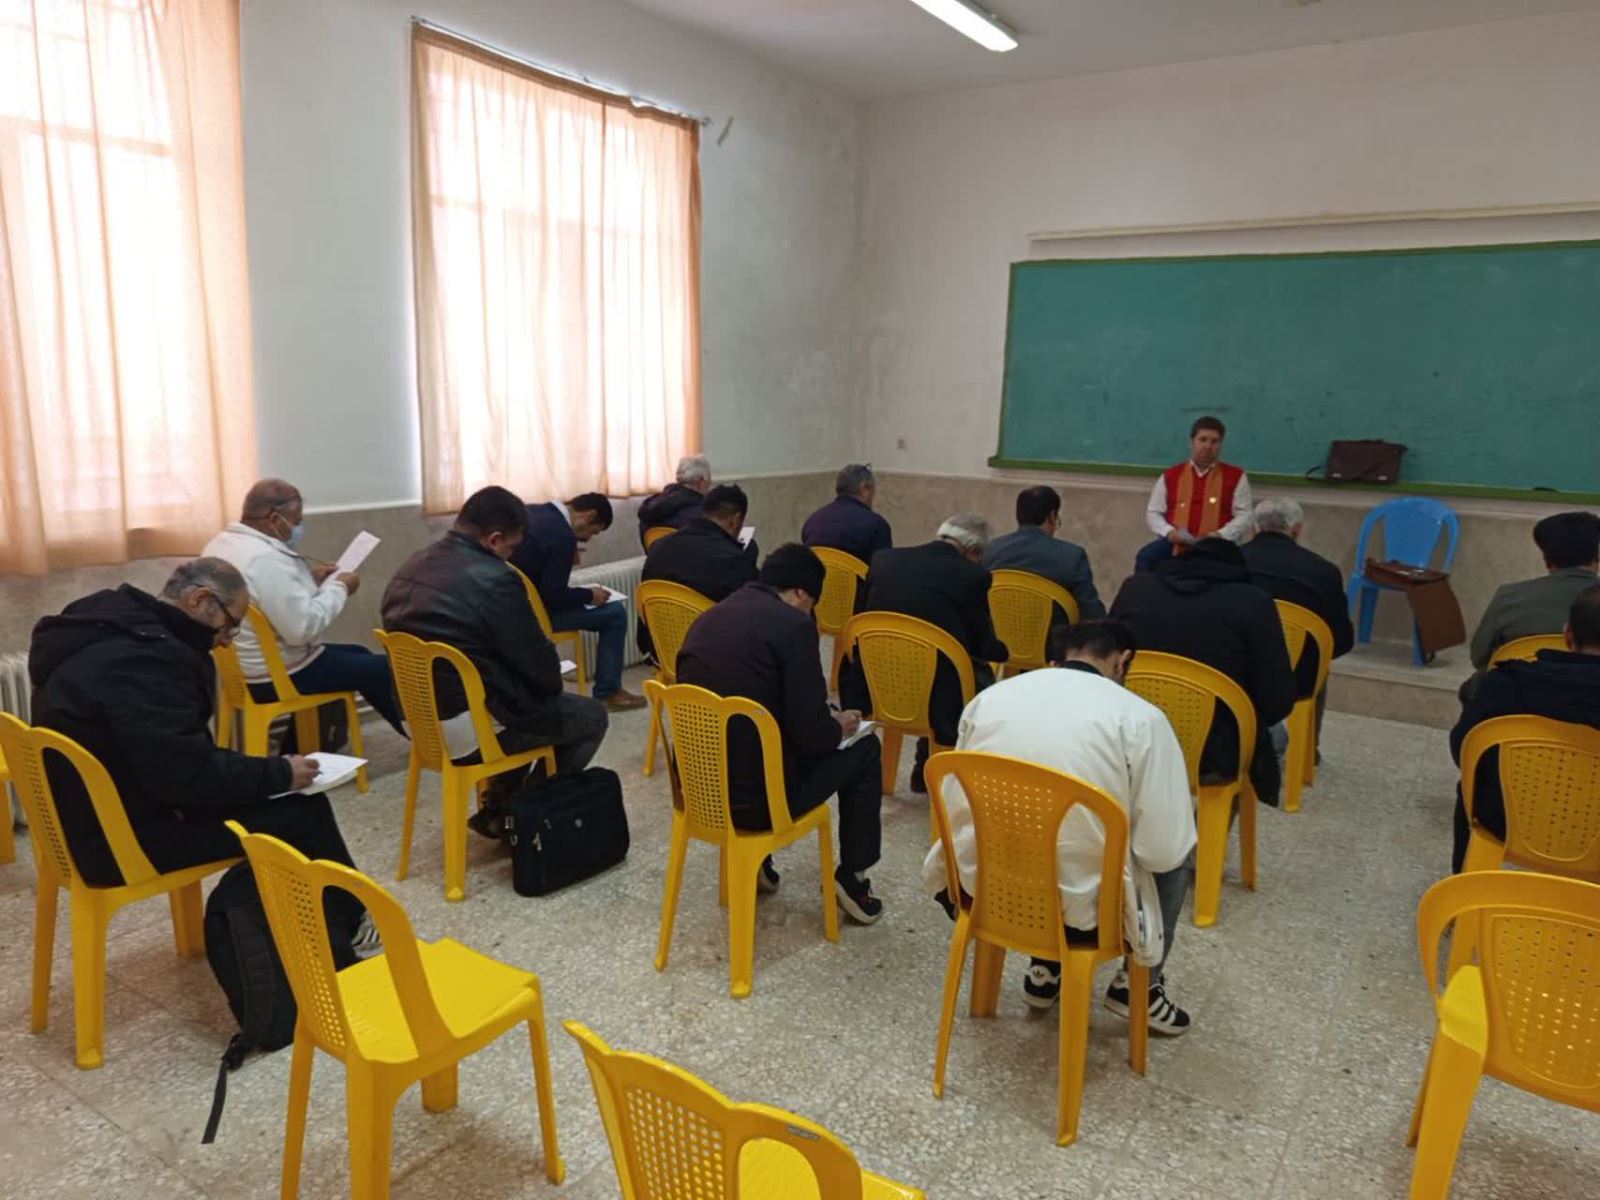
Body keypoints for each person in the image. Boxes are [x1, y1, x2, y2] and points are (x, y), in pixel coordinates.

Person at [28, 558, 372, 945]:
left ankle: (321, 927)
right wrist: (281, 773)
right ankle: (355, 930)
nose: (227, 640)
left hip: (91, 820)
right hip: (121, 842)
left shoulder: (106, 624)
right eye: (230, 624)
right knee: (303, 811)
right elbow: (187, 777)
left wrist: (262, 772)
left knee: (270, 793)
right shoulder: (145, 662)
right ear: (199, 599)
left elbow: (171, 759)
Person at [922, 620, 1197, 1034]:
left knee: (1038, 826)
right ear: (1122, 662)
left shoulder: (990, 698)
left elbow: (958, 800)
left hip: (987, 888)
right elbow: (1162, 851)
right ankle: (1140, 985)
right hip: (1084, 909)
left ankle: (1046, 968)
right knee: (1175, 848)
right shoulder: (1142, 719)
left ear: (1056, 658)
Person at [676, 544, 885, 923]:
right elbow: (813, 737)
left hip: (700, 794)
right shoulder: (793, 626)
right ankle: (853, 878)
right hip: (761, 805)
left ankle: (759, 863)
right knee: (866, 748)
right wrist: (837, 725)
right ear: (802, 593)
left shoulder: (709, 617)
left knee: (750, 735)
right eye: (812, 606)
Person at [381, 486, 609, 821]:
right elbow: (543, 671)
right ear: (495, 539)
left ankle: (497, 811)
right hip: (469, 729)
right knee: (590, 716)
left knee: (528, 711)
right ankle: (522, 816)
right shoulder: (496, 579)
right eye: (512, 548)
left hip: (416, 721)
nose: (511, 558)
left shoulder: (410, 565)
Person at [203, 478, 406, 744]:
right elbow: (301, 630)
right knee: (382, 669)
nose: (298, 529)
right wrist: (340, 588)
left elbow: (267, 594)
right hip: (277, 676)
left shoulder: (222, 544)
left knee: (358, 653)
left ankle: (299, 746)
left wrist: (311, 579)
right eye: (296, 522)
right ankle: (425, 742)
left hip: (239, 670)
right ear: (274, 519)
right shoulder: (265, 559)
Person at [1110, 536, 1295, 806]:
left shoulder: (1135, 588)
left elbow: (1104, 659)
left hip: (1128, 736)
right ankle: (1205, 829)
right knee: (1275, 736)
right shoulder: (1254, 603)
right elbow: (1277, 700)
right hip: (1212, 752)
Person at [839, 513, 1009, 793]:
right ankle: (951, 773)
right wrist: (1004, 652)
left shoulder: (884, 560)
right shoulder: (972, 576)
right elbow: (983, 646)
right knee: (969, 673)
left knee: (938, 662)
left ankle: (921, 766)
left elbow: (859, 620)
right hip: (937, 696)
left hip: (876, 681)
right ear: (973, 551)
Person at [1450, 585, 1600, 872]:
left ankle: (1465, 883)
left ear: (1567, 635)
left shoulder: (1506, 683)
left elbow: (1462, 750)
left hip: (1506, 822)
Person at [510, 492, 646, 713]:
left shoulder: (534, 511)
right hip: (533, 616)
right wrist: (589, 595)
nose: (587, 539)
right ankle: (608, 692)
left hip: (510, 606)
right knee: (615, 614)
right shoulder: (562, 536)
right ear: (589, 516)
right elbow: (554, 597)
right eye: (593, 532)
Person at [1240, 496, 1354, 725]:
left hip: (1238, 673)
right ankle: (1307, 740)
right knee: (1318, 666)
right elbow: (1341, 642)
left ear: (1254, 528)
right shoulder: (1324, 572)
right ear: (1297, 530)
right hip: (1299, 680)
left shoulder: (1231, 562)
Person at [1466, 510, 1600, 685]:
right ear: (1596, 556)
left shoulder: (1508, 596)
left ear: (1546, 559)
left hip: (1518, 695)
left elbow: (1479, 657)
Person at [637, 484, 759, 658]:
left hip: (663, 652)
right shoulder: (735, 560)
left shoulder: (657, 548)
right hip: (713, 658)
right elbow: (753, 617)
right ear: (736, 520)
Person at [1135, 416, 1253, 573]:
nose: (1208, 446)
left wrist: (1219, 535)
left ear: (1220, 445)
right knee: (1145, 558)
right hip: (1176, 542)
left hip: (1217, 544)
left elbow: (1245, 515)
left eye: (1214, 441)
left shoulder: (1236, 476)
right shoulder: (1171, 475)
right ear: (1192, 442)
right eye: (1202, 440)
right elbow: (1153, 512)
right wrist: (1169, 533)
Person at [983, 485, 1106, 622]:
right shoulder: (1072, 557)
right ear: (1052, 516)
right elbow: (1092, 615)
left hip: (999, 634)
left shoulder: (991, 550)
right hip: (1054, 635)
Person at [801, 463, 893, 566]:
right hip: (857, 577)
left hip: (818, 576)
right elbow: (883, 570)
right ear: (864, 488)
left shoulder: (812, 522)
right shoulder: (877, 525)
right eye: (873, 491)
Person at [637, 454, 714, 542]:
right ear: (702, 482)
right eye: (709, 481)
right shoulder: (703, 516)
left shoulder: (650, 507)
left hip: (657, 551)